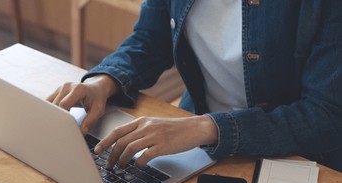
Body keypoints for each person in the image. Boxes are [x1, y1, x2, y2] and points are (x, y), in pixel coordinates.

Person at [48, 0, 342, 172]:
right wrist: (105, 81)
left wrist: (205, 128)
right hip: (192, 138)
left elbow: (326, 114)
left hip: (297, 158)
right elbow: (151, 38)